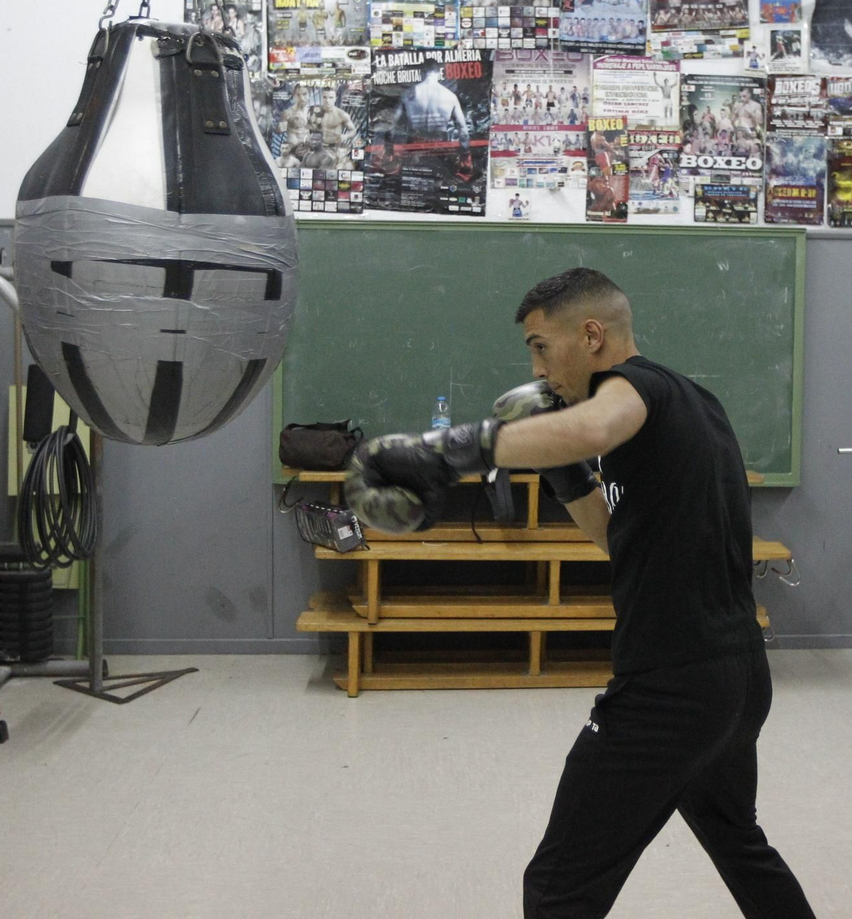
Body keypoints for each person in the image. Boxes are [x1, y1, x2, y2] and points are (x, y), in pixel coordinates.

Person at [345, 268, 818, 919]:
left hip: (668, 688)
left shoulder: (632, 386)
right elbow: (612, 533)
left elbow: (595, 427)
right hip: (734, 678)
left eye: (542, 345)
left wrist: (454, 450)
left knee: (559, 885)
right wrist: (564, 474)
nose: (538, 369)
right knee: (739, 841)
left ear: (592, 335)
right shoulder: (692, 404)